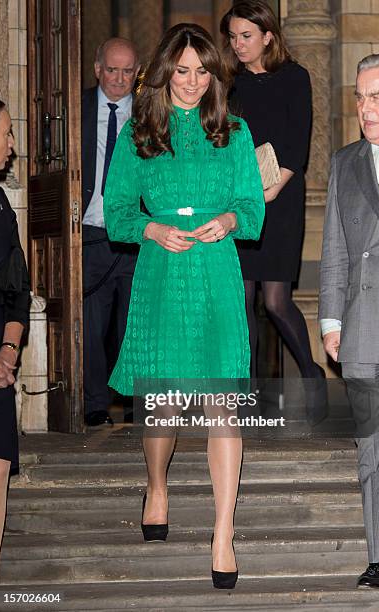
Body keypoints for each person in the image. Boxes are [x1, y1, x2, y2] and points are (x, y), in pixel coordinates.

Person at [104, 23, 264, 589]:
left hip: (217, 273)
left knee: (222, 402)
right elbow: (118, 210)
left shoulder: (234, 131)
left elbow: (252, 204)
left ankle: (223, 534)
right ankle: (158, 485)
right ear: (166, 71)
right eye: (183, 70)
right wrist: (151, 227)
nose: (193, 82)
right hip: (163, 272)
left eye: (203, 71)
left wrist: (230, 219)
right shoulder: (138, 134)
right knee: (165, 404)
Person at [220, 1, 327, 423]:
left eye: (246, 36)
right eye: (232, 37)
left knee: (276, 299)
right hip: (239, 202)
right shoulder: (227, 82)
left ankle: (312, 373)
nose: (238, 44)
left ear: (268, 35)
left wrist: (265, 193)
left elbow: (296, 144)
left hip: (279, 200)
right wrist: (239, 198)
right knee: (241, 299)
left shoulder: (295, 77)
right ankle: (247, 394)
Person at [320, 53, 379, 589]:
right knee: (372, 448)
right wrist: (330, 320)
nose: (366, 108)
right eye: (360, 97)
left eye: (377, 96)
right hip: (364, 327)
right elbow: (335, 251)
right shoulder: (344, 163)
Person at [82, 38, 140, 426]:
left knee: (134, 321)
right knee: (91, 322)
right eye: (112, 70)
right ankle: (95, 405)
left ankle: (138, 403)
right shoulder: (75, 108)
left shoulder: (152, 113)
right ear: (98, 69)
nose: (119, 79)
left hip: (139, 234)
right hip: (89, 232)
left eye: (127, 71)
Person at [0, 97, 30, 575]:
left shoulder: (1, 203)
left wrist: (6, 350)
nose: (11, 142)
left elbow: (18, 289)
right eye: (5, 131)